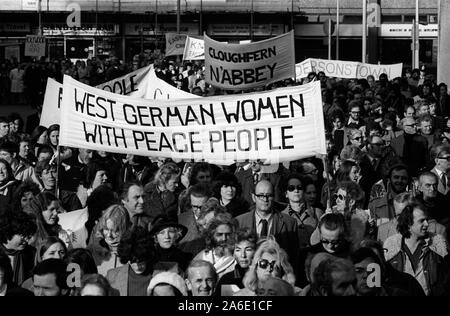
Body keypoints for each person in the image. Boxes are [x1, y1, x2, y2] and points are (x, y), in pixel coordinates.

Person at [384, 202, 449, 296]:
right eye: (421, 221)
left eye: (427, 220)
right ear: (408, 223)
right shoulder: (391, 244)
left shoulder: (438, 243)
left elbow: (446, 279)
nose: (427, 224)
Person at [235, 180, 299, 270]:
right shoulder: (239, 222)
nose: (265, 199)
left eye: (269, 195)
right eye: (261, 195)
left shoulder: (289, 223)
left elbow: (294, 258)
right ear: (254, 197)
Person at [106, 227, 155, 296]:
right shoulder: (111, 276)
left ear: (147, 256)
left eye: (140, 260)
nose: (137, 267)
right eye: (132, 261)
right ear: (126, 257)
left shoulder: (166, 272)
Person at [282, 174, 323, 248]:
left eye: (299, 187)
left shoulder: (318, 213)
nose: (296, 190)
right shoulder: (281, 217)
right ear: (286, 194)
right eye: (291, 188)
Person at [87, 204, 130, 276]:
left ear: (125, 229)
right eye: (106, 229)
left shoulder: (133, 253)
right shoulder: (92, 251)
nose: (109, 235)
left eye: (115, 231)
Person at [194, 212, 236, 278]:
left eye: (228, 234)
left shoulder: (239, 258)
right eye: (219, 235)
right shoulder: (202, 258)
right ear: (212, 235)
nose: (224, 239)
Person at [215, 229, 257, 296]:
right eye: (238, 250)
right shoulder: (226, 280)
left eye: (248, 250)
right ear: (233, 253)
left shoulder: (261, 278)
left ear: (256, 252)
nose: (243, 255)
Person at [0, 211, 37, 285]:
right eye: (23, 236)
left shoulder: (31, 253)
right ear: (8, 233)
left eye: (28, 236)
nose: (26, 240)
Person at [178, 184, 212, 256]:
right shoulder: (180, 220)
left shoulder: (219, 219)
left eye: (203, 207)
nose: (199, 211)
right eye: (195, 206)